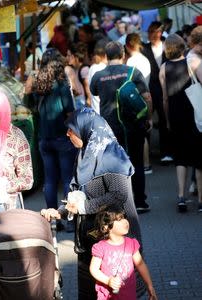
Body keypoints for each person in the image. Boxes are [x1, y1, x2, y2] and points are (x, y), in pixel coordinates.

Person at [41, 108, 144, 299]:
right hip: (89, 243)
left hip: (114, 245)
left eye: (72, 129)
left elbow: (118, 195)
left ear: (85, 128)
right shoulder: (84, 156)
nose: (67, 133)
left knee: (118, 293)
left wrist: (84, 207)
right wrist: (61, 211)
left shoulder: (112, 156)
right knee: (90, 293)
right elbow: (77, 194)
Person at [90, 41, 153, 213]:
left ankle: (120, 203)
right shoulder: (133, 72)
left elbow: (94, 92)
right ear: (123, 55)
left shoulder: (98, 76)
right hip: (133, 125)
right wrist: (148, 118)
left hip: (109, 128)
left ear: (106, 56)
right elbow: (147, 97)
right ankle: (139, 201)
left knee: (114, 165)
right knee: (137, 162)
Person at [159, 33, 202, 212]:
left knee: (180, 159)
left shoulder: (163, 68)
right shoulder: (193, 63)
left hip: (176, 116)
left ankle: (181, 197)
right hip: (194, 115)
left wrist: (168, 120)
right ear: (183, 46)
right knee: (199, 158)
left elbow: (165, 99)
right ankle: (201, 200)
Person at [32, 48, 77, 213]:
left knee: (49, 180)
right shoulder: (62, 84)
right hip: (62, 137)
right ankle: (69, 217)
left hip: (44, 138)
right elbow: (70, 112)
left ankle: (52, 217)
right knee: (67, 179)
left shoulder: (39, 85)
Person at [90, 206, 157, 300]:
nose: (125, 221)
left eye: (124, 217)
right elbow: (94, 269)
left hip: (128, 294)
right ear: (106, 227)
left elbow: (140, 264)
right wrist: (108, 280)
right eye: (119, 219)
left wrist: (150, 286)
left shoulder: (131, 243)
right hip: (107, 295)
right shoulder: (100, 247)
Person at [142, 21, 173, 163]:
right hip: (149, 89)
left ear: (160, 33)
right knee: (145, 120)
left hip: (166, 88)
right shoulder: (144, 48)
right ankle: (145, 153)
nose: (151, 35)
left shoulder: (168, 45)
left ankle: (166, 152)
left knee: (164, 119)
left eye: (154, 32)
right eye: (149, 32)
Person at [126, 32, 153, 175]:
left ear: (128, 45)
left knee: (137, 134)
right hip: (146, 96)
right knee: (144, 132)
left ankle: (142, 164)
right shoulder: (145, 60)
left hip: (134, 98)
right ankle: (147, 164)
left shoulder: (130, 62)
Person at [87, 42, 107, 114]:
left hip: (95, 107)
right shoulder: (103, 68)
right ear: (105, 55)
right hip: (104, 108)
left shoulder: (92, 68)